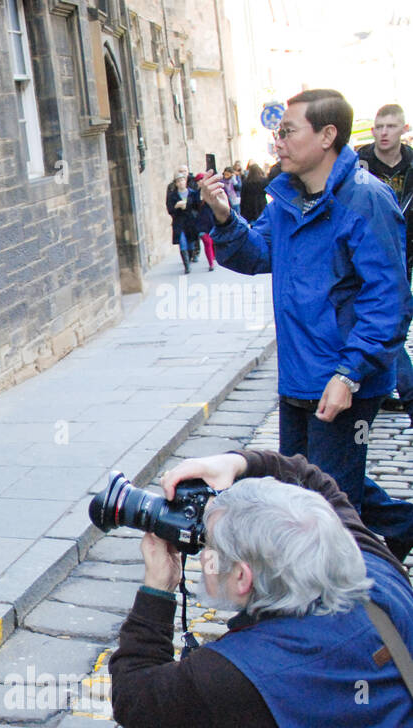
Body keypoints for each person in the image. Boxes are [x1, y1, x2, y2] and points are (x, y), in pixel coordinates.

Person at [111, 448, 413, 728]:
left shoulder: (237, 678)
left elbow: (134, 692)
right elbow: (315, 482)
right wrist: (237, 464)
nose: (202, 551)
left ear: (242, 578)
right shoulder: (378, 577)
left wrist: (158, 590)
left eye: (210, 546)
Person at [200, 89, 413, 560]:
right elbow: (256, 254)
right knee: (302, 481)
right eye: (278, 133)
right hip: (298, 374)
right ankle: (402, 525)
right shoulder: (286, 200)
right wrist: (223, 216)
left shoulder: (366, 200)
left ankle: (344, 607)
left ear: (327, 135)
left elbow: (389, 303)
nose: (278, 142)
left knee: (326, 506)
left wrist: (349, 374)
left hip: (342, 379)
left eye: (289, 131)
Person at [357, 104, 413, 418]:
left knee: (391, 321)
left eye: (391, 127)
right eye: (379, 127)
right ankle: (404, 388)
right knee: (387, 322)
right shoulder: (359, 162)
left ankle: (375, 385)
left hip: (404, 254)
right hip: (364, 255)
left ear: (403, 129)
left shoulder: (411, 164)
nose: (384, 133)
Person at [166, 166, 200, 274]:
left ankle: (190, 256)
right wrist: (176, 206)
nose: (181, 183)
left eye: (182, 180)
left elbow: (197, 206)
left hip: (190, 221)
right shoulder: (172, 195)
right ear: (176, 183)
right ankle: (187, 266)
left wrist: (189, 206)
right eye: (178, 181)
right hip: (179, 221)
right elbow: (170, 209)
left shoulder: (192, 193)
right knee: (182, 242)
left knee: (190, 243)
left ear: (185, 181)